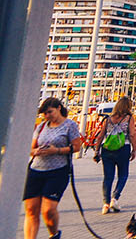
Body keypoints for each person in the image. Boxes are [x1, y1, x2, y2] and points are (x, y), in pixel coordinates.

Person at [25, 96, 83, 239]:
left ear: (58, 108)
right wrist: (35, 151)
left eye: (50, 112)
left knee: (48, 210)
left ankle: (54, 233)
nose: (47, 116)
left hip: (57, 171)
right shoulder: (42, 126)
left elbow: (76, 147)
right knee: (31, 209)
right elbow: (30, 148)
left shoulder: (70, 125)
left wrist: (56, 150)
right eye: (44, 113)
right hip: (36, 169)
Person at [96, 95, 136, 213]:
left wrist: (97, 151)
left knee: (108, 177)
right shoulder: (128, 118)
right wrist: (134, 149)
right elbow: (132, 134)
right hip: (123, 149)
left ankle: (105, 204)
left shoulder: (109, 119)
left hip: (107, 149)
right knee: (123, 175)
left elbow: (100, 136)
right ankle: (115, 198)